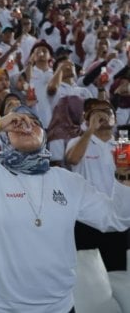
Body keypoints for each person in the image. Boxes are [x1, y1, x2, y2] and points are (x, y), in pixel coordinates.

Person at [0, 105, 130, 313]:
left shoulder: (68, 181)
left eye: (35, 123)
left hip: (57, 306)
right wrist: (2, 122)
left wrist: (124, 177)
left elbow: (116, 218)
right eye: (17, 123)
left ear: (44, 137)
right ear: (5, 137)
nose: (26, 126)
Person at [65, 99, 128, 271]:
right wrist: (91, 130)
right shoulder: (77, 142)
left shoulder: (123, 145)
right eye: (97, 113)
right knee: (90, 279)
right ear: (86, 119)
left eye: (108, 112)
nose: (103, 115)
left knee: (118, 273)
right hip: (87, 219)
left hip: (118, 217)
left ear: (115, 119)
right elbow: (72, 159)